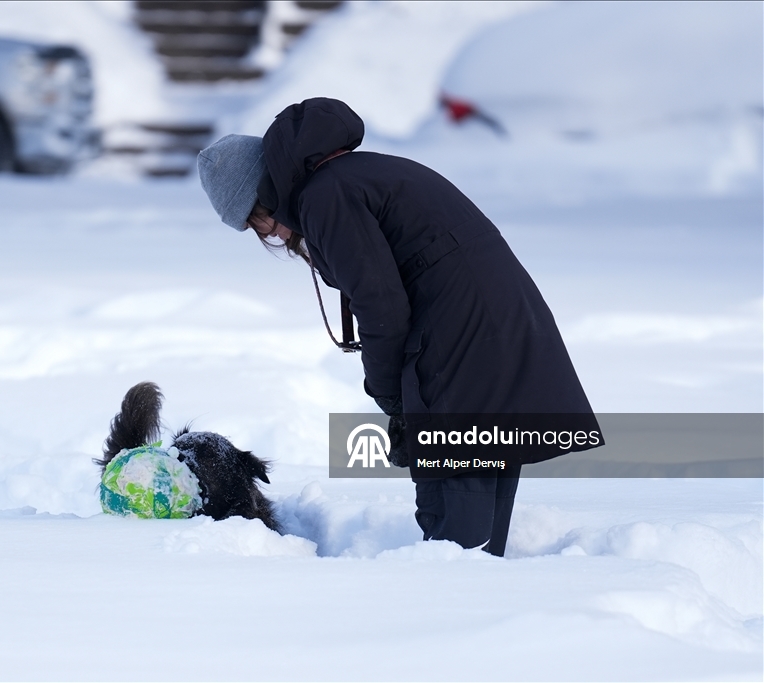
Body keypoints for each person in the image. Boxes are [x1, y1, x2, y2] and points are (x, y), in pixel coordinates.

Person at [196, 98, 598, 557]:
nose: (269, 234)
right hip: (496, 325)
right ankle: (481, 597)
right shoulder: (356, 175)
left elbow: (380, 303)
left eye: (257, 221)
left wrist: (390, 396)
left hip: (461, 336)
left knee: (452, 499)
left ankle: (454, 610)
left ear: (264, 195)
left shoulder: (327, 197)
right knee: (485, 470)